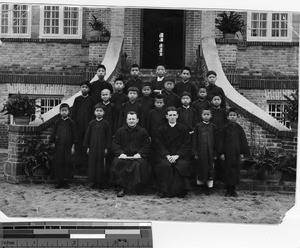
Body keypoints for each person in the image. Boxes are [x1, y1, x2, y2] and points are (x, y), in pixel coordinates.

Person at [110, 111, 151, 197]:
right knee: (118, 163)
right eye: (130, 119)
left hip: (137, 156)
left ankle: (136, 188)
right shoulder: (120, 131)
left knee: (137, 165)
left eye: (133, 119)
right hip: (124, 156)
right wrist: (121, 153)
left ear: (137, 120)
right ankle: (121, 188)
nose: (131, 121)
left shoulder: (143, 131)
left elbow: (146, 145)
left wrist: (139, 154)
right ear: (126, 120)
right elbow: (115, 144)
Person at [155, 107, 192, 198]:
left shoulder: (183, 129)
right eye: (170, 115)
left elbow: (187, 144)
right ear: (166, 116)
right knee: (164, 165)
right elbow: (159, 144)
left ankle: (181, 191)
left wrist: (177, 155)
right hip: (165, 156)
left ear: (177, 116)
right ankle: (163, 191)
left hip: (179, 155)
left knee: (182, 165)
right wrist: (167, 155)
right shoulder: (161, 129)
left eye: (174, 115)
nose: (172, 117)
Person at [219, 108, 249, 197]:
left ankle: (233, 190)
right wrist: (221, 153)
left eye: (234, 115)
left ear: (237, 117)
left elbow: (243, 141)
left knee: (235, 171)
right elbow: (221, 141)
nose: (232, 117)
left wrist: (242, 153)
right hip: (227, 153)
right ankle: (228, 190)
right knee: (228, 171)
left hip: (236, 153)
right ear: (228, 117)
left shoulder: (239, 128)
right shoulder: (225, 128)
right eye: (230, 115)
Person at [83, 103, 112, 189]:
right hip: (93, 147)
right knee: (93, 164)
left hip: (102, 148)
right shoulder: (92, 123)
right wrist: (88, 147)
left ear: (104, 113)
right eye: (97, 111)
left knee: (101, 165)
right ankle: (94, 182)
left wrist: (106, 148)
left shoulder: (106, 123)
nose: (99, 112)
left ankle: (101, 183)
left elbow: (108, 136)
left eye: (101, 111)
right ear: (94, 112)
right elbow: (87, 135)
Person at [49, 103, 77, 189]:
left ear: (69, 112)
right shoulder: (58, 122)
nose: (64, 112)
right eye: (62, 111)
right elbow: (53, 133)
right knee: (59, 163)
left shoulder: (71, 123)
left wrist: (73, 146)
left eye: (65, 110)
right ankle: (59, 181)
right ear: (60, 112)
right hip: (59, 147)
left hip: (68, 147)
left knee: (67, 163)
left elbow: (75, 135)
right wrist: (52, 142)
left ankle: (66, 182)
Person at [71, 80, 95, 176]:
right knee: (78, 148)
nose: (84, 89)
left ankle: (86, 169)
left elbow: (94, 114)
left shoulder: (92, 100)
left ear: (89, 89)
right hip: (78, 128)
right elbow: (73, 114)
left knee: (87, 148)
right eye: (82, 87)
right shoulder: (77, 99)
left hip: (88, 128)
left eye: (86, 87)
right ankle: (78, 169)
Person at [192, 108, 218, 195]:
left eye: (208, 114)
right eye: (204, 114)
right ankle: (200, 187)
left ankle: (209, 187)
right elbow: (194, 140)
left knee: (210, 168)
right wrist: (195, 152)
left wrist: (215, 152)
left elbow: (216, 141)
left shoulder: (213, 127)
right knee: (200, 168)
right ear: (201, 115)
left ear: (211, 116)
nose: (206, 116)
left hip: (210, 152)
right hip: (201, 152)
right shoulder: (198, 127)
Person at [210, 94, 227, 181]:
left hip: (221, 135)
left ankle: (221, 176)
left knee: (220, 154)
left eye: (218, 99)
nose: (216, 101)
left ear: (221, 101)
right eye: (214, 99)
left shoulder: (224, 112)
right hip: (211, 135)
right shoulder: (209, 111)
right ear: (212, 101)